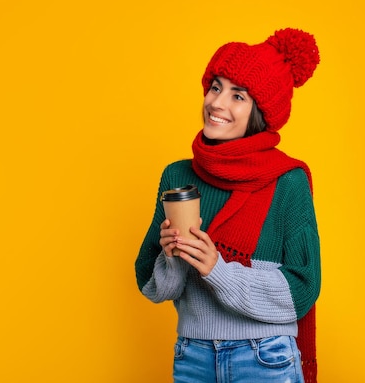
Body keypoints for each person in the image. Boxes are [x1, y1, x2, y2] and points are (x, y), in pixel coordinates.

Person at [135, 28, 322, 383]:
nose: (217, 103)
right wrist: (173, 255)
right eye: (216, 87)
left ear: (260, 113)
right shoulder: (177, 175)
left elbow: (303, 288)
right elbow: (150, 284)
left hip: (265, 356)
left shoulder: (287, 180)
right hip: (192, 355)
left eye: (238, 96)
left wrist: (217, 270)